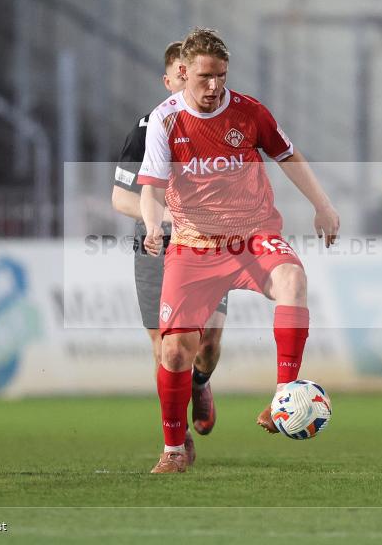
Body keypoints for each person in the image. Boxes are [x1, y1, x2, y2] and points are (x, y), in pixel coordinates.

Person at [138, 27, 340, 474]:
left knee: (293, 278)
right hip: (193, 247)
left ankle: (285, 396)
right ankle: (173, 449)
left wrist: (322, 205)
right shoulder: (164, 120)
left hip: (252, 236)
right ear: (184, 72)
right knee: (176, 353)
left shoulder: (249, 112)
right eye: (205, 77)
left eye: (222, 77)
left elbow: (288, 156)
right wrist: (154, 226)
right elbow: (150, 188)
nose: (214, 88)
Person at [111, 41, 226, 466]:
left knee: (209, 342)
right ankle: (176, 440)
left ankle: (199, 383)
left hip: (208, 249)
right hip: (156, 249)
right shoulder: (147, 128)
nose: (189, 80)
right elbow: (121, 198)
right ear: (170, 79)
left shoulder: (218, 125)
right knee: (165, 349)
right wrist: (165, 222)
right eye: (181, 73)